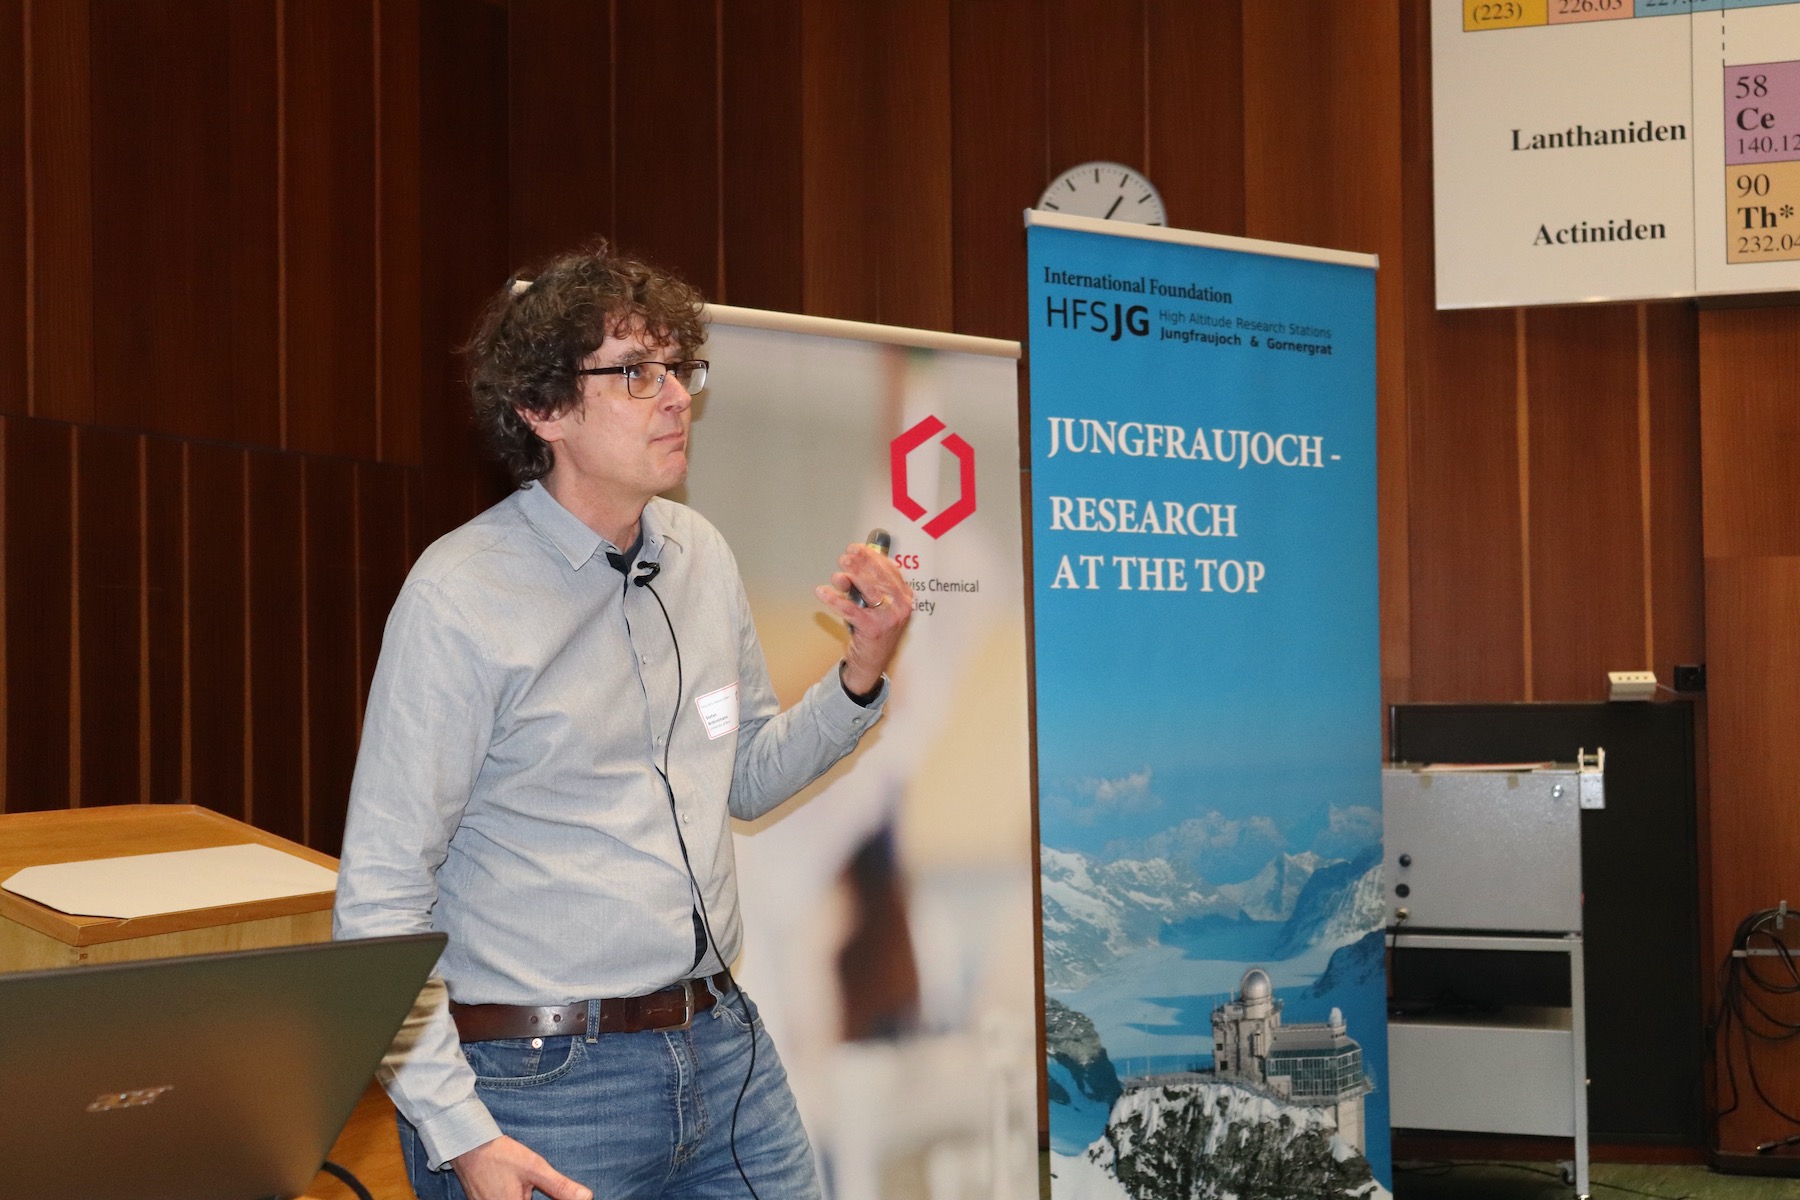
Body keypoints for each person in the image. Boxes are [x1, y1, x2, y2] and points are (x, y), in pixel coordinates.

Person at [332, 241, 911, 1200]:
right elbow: (380, 905)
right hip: (541, 1083)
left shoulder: (700, 555)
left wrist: (860, 672)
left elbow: (744, 775)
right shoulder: (458, 599)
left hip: (722, 1049)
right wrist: (461, 1135)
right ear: (544, 409)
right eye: (637, 373)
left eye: (678, 367)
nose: (677, 396)